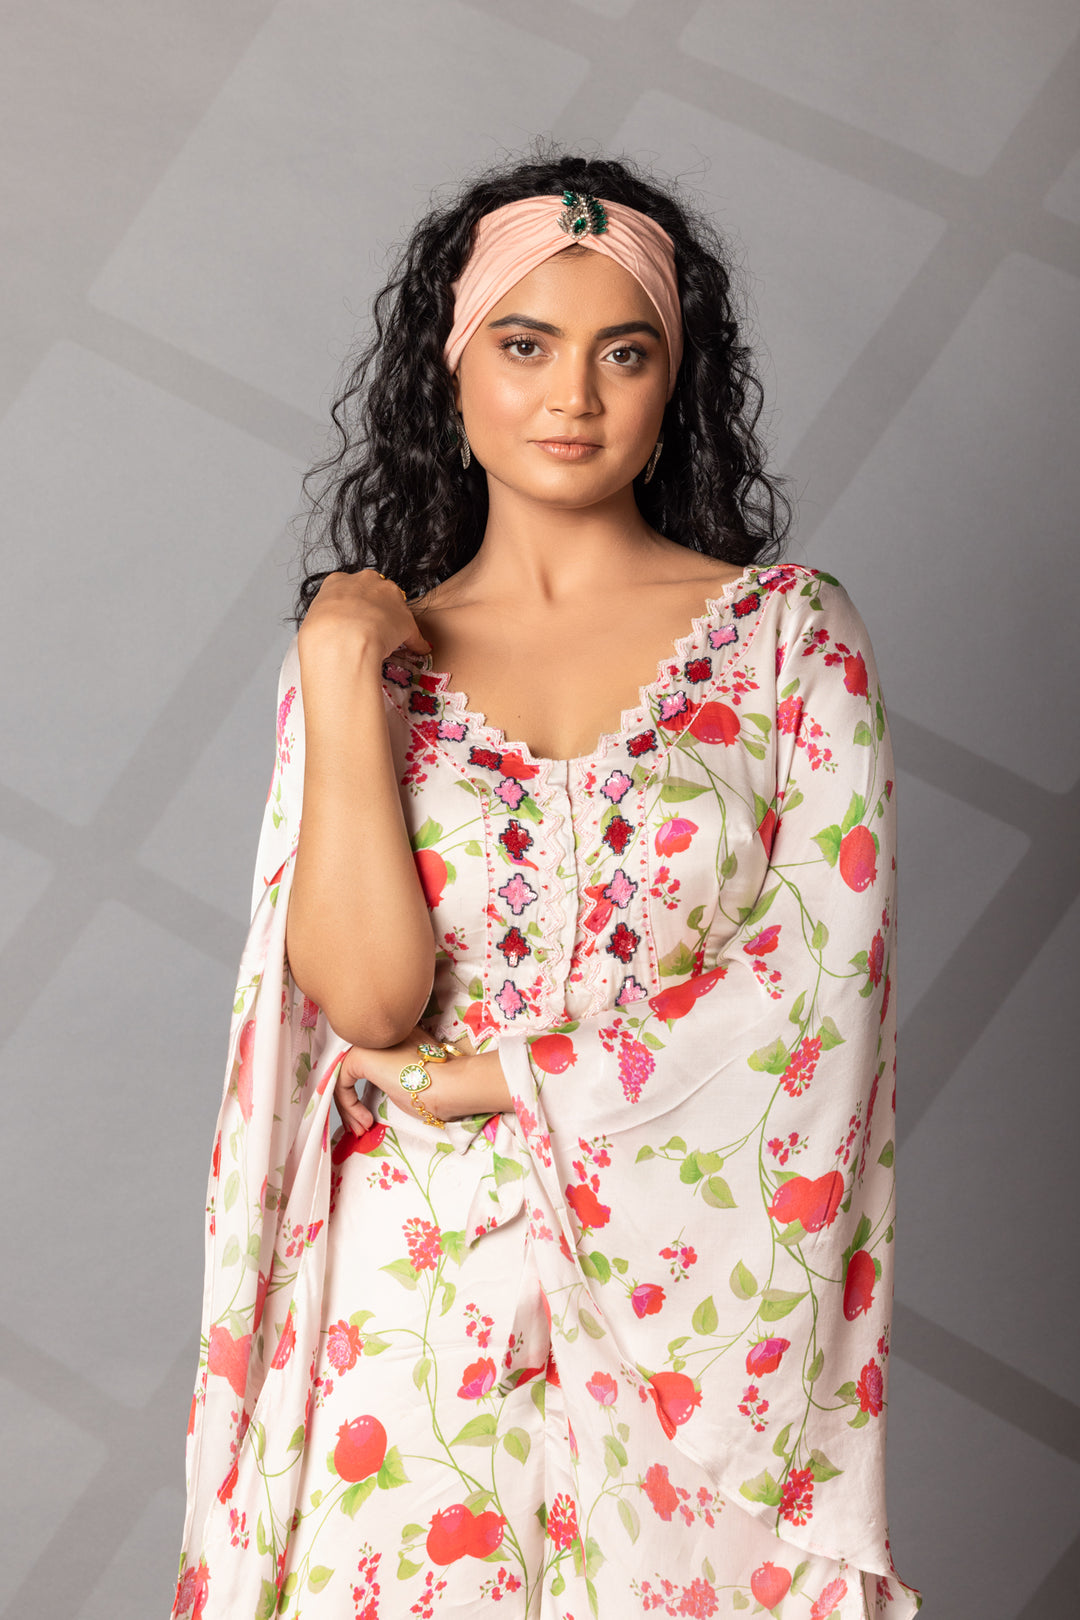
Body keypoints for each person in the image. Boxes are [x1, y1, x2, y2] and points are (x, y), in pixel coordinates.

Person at [172, 151, 922, 1618]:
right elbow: (369, 998)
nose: (573, 396)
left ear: (674, 384)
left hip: (689, 1318)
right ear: (449, 369)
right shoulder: (372, 665)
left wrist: (497, 1078)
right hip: (414, 1306)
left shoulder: (788, 642)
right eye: (525, 346)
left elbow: (820, 992)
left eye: (622, 354)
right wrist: (337, 661)